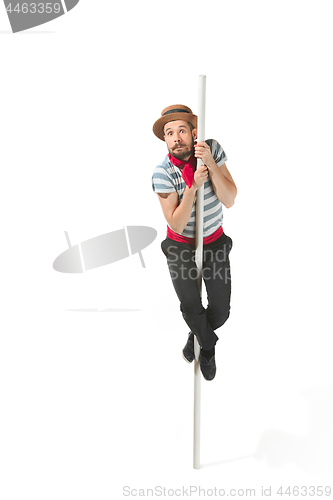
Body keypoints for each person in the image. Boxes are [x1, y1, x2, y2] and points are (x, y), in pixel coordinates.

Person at [152, 105, 237, 381]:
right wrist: (192, 187)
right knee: (191, 305)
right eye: (169, 133)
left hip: (214, 241)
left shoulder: (212, 150)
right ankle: (208, 346)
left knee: (221, 312)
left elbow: (230, 198)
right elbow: (176, 223)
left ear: (193, 133)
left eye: (181, 131)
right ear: (165, 139)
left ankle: (197, 335)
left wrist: (211, 165)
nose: (176, 137)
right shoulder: (162, 172)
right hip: (180, 246)